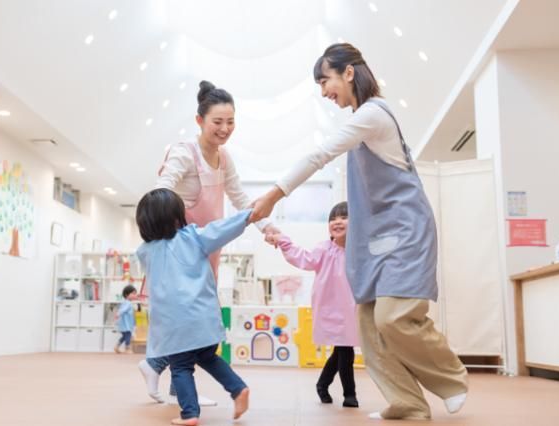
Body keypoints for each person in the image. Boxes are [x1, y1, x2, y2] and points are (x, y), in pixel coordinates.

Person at [251, 43, 468, 420]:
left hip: (405, 230)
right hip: (374, 239)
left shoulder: (373, 115)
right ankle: (408, 402)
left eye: (325, 81)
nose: (324, 92)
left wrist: (273, 196)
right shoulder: (360, 119)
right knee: (368, 325)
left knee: (394, 317)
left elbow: (318, 155)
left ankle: (452, 378)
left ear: (348, 73)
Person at [138, 80, 276, 406]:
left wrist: (267, 226)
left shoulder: (224, 158)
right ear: (200, 120)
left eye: (230, 122)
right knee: (184, 315)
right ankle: (165, 375)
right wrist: (161, 227)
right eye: (217, 121)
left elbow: (239, 197)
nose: (225, 129)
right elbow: (163, 187)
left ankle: (161, 372)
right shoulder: (184, 152)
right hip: (182, 248)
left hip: (207, 245)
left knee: (196, 316)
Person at [135, 188, 251, 426]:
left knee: (180, 367)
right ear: (178, 216)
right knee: (208, 357)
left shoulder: (144, 252)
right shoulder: (194, 237)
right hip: (204, 318)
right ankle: (238, 388)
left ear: (144, 223)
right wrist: (248, 214)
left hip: (174, 326)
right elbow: (224, 228)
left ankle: (189, 414)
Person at [266, 201, 359, 407]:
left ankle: (322, 384)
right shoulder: (324, 249)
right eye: (333, 219)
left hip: (351, 307)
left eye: (344, 217)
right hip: (330, 306)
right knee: (345, 349)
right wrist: (283, 241)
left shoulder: (359, 251)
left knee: (342, 348)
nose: (337, 222)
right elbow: (304, 258)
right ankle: (349, 395)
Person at [114, 284, 137, 353]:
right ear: (127, 294)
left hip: (124, 324)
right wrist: (118, 314)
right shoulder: (128, 303)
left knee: (125, 336)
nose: (135, 295)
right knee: (128, 335)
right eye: (133, 293)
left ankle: (117, 346)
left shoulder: (126, 302)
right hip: (126, 324)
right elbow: (123, 310)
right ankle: (127, 348)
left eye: (135, 294)